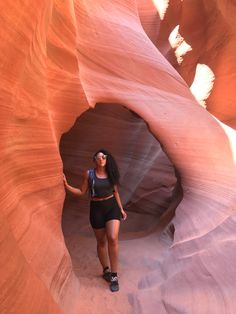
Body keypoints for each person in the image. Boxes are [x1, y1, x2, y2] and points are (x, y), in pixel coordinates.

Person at [63, 149, 127, 292]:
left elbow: (115, 192)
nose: (102, 158)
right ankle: (106, 270)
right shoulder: (89, 174)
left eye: (104, 157)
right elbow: (81, 191)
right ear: (94, 159)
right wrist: (67, 186)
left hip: (111, 207)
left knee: (112, 237)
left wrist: (121, 209)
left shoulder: (111, 174)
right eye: (99, 157)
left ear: (106, 159)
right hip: (96, 209)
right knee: (101, 242)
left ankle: (114, 275)